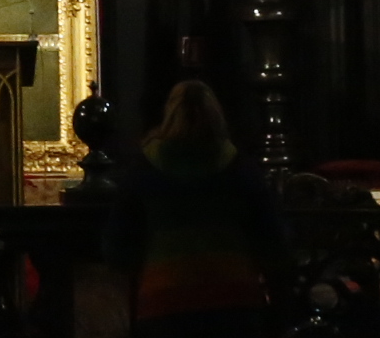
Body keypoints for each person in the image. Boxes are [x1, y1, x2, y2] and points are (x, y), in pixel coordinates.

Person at [107, 80, 290, 338]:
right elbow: (274, 242)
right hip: (234, 305)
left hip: (163, 305)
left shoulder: (143, 171)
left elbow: (117, 248)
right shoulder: (241, 170)